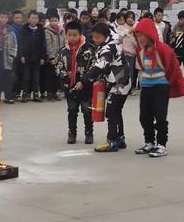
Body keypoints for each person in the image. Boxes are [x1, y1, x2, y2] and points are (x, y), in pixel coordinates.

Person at [134, 18, 184, 158]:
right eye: (137, 36)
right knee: (144, 117)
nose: (139, 39)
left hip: (160, 87)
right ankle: (149, 142)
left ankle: (161, 144)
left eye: (141, 35)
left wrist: (167, 83)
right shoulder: (140, 51)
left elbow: (173, 68)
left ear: (149, 33)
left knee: (160, 116)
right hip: (146, 86)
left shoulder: (163, 49)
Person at [77, 23, 130, 153]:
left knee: (111, 112)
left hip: (118, 83)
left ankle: (111, 141)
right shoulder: (114, 37)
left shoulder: (108, 48)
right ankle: (120, 138)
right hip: (120, 80)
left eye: (98, 37)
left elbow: (100, 65)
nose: (95, 40)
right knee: (117, 111)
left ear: (105, 36)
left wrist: (84, 81)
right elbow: (121, 33)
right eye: (93, 37)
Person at [56, 21, 95, 144]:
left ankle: (89, 133)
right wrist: (65, 77)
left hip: (85, 86)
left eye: (75, 35)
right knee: (72, 110)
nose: (72, 38)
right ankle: (72, 133)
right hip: (70, 87)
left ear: (80, 35)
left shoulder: (88, 49)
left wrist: (85, 81)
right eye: (69, 35)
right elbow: (58, 67)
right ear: (66, 35)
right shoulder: (63, 51)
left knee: (87, 111)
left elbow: (93, 67)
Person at [19, 11, 46, 103]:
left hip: (37, 58)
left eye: (36, 18)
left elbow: (43, 44)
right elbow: (21, 43)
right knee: (26, 77)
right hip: (27, 57)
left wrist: (43, 57)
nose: (34, 20)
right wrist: (22, 55)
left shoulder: (40, 29)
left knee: (36, 77)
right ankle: (25, 94)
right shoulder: (24, 29)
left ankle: (35, 94)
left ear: (38, 20)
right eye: (32, 18)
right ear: (28, 19)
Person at [0, 11, 18, 104]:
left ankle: (8, 96)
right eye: (1, 17)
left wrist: (12, 55)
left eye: (5, 17)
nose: (3, 19)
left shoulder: (11, 31)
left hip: (8, 57)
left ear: (8, 19)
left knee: (8, 78)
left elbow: (15, 45)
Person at [44, 12, 65, 101]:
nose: (53, 22)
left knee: (57, 77)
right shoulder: (47, 31)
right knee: (50, 76)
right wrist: (51, 57)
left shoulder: (62, 31)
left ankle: (55, 93)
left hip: (60, 58)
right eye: (52, 21)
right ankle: (49, 93)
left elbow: (65, 42)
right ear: (49, 21)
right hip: (51, 58)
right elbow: (48, 45)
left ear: (58, 21)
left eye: (55, 20)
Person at [115, 11, 137, 90]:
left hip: (131, 54)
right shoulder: (121, 27)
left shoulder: (135, 28)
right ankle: (121, 87)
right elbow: (118, 38)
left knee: (130, 72)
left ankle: (129, 89)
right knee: (122, 72)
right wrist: (128, 31)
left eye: (132, 18)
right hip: (123, 53)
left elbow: (136, 41)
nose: (130, 19)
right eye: (128, 17)